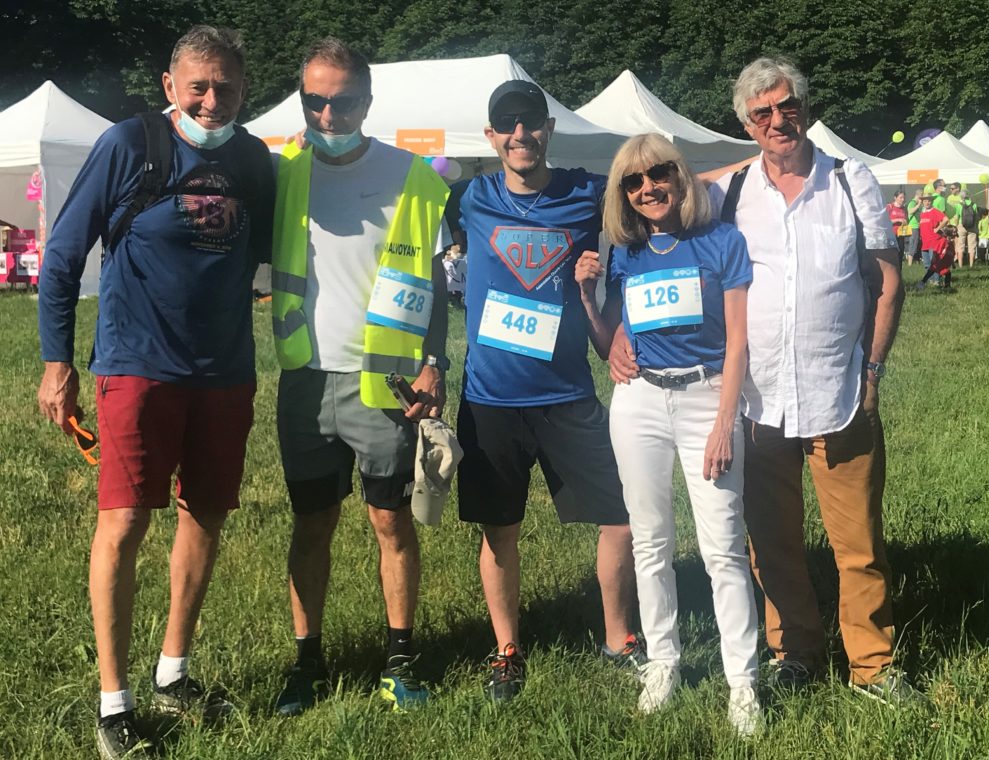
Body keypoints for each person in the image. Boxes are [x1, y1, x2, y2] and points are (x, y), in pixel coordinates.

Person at [611, 57, 919, 705]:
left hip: (841, 393)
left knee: (858, 544)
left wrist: (875, 367)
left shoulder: (850, 181)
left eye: (787, 107)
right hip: (757, 400)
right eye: (762, 114)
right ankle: (794, 652)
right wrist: (618, 331)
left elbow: (888, 282)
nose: (778, 121)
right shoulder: (730, 193)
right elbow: (662, 218)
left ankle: (872, 665)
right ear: (748, 124)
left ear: (803, 108)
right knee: (770, 545)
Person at [36, 25, 274, 759]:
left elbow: (269, 256)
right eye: (197, 86)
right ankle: (115, 703)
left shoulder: (255, 160)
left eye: (225, 87)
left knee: (204, 518)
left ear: (244, 90)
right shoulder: (129, 144)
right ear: (170, 87)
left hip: (225, 372)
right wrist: (57, 362)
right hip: (138, 366)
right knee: (126, 522)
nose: (211, 100)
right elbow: (65, 255)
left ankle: (174, 673)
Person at [270, 38, 451, 715]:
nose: (326, 113)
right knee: (310, 525)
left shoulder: (415, 177)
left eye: (341, 101)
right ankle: (307, 663)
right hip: (306, 381)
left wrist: (435, 363)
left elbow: (432, 281)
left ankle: (400, 662)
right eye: (312, 100)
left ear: (366, 102)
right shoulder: (281, 172)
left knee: (390, 523)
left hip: (387, 386)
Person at [455, 80, 641, 701]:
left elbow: (657, 177)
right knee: (499, 528)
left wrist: (761, 155)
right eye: (506, 125)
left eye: (530, 123)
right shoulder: (470, 197)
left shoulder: (586, 194)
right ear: (490, 138)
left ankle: (620, 639)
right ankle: (506, 651)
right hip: (491, 398)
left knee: (619, 515)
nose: (519, 135)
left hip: (567, 392)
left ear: (548, 130)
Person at [575, 134, 760, 734]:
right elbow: (615, 343)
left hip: (708, 398)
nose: (648, 187)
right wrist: (586, 295)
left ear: (681, 178)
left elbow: (738, 341)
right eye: (633, 181)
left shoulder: (722, 242)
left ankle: (743, 684)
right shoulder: (625, 252)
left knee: (723, 549)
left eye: (658, 174)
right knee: (651, 543)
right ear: (623, 194)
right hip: (640, 403)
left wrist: (725, 423)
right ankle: (664, 662)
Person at [918, 189, 950, 276]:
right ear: (923, 202)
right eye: (925, 201)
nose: (927, 203)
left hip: (933, 241)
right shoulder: (922, 213)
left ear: (932, 201)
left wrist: (938, 228)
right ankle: (930, 281)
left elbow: (946, 219)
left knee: (934, 263)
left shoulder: (935, 211)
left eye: (929, 201)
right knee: (927, 264)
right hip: (925, 242)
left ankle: (936, 280)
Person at [886, 190, 910, 261]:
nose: (903, 199)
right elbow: (885, 221)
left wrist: (905, 222)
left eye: (904, 198)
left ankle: (899, 271)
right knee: (891, 256)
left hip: (901, 235)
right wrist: (897, 220)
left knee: (900, 255)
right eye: (901, 197)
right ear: (895, 198)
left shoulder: (903, 209)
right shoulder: (890, 207)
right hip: (891, 235)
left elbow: (906, 220)